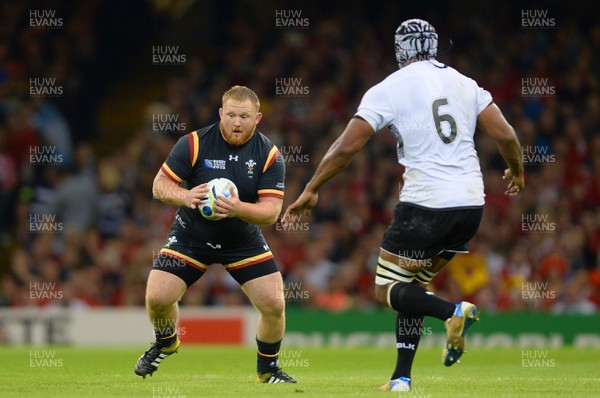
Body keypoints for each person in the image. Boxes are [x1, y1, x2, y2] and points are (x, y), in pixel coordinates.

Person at [284, 19, 524, 392]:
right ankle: (401, 378)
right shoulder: (465, 83)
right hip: (470, 205)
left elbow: (346, 148)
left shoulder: (388, 88)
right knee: (412, 288)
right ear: (434, 46)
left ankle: (452, 312)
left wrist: (313, 187)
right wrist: (517, 172)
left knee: (386, 290)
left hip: (426, 205)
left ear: (400, 51)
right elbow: (506, 135)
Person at [135, 85, 296, 384]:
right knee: (157, 297)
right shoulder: (193, 144)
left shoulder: (270, 155)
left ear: (258, 118)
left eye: (244, 116)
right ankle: (167, 340)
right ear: (221, 113)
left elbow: (271, 212)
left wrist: (236, 208)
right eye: (231, 115)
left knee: (274, 305)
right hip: (191, 236)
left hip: (241, 239)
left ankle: (268, 369)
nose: (237, 122)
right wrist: (184, 197)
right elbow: (160, 185)